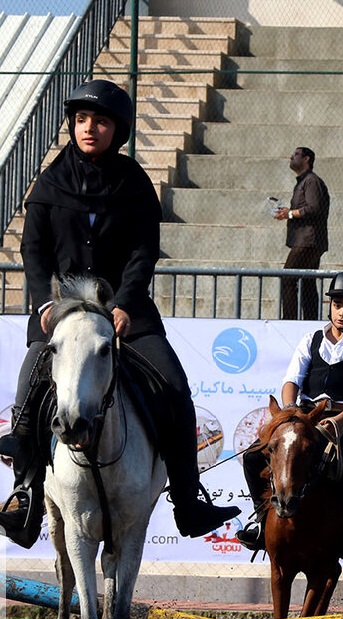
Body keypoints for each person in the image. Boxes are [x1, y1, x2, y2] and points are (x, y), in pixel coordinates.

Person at [0, 79, 240, 549]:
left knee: (174, 386)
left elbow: (143, 251)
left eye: (102, 121)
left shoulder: (133, 183)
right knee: (29, 387)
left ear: (118, 130)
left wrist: (126, 303)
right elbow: (33, 249)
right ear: (72, 124)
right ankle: (25, 494)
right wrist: (44, 301)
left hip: (127, 312)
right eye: (83, 119)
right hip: (62, 313)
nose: (90, 128)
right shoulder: (49, 182)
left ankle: (189, 500)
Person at [236, 270, 343, 560]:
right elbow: (291, 380)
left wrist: (339, 421)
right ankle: (260, 520)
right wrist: (291, 412)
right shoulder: (311, 339)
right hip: (304, 416)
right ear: (330, 305)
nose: (342, 312)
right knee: (255, 456)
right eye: (338, 305)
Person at [274, 146, 330, 320]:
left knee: (288, 278)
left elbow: (314, 208)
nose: (291, 157)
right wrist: (289, 212)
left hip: (307, 242)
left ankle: (289, 321)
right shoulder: (303, 182)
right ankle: (310, 321)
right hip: (308, 242)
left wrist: (290, 213)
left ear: (307, 159)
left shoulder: (311, 181)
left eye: (296, 154)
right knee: (307, 282)